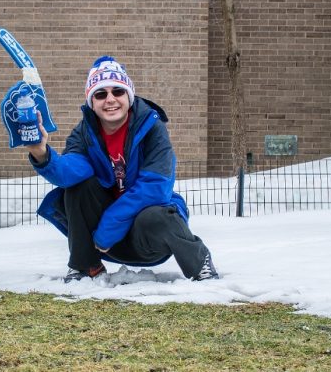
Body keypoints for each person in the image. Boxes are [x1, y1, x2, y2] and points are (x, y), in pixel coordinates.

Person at [26, 56, 219, 283]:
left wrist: (108, 229)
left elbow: (155, 188)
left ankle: (200, 264)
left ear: (129, 95)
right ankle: (86, 267)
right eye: (100, 94)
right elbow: (72, 171)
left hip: (143, 236)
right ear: (92, 102)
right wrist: (41, 153)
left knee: (159, 215)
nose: (110, 99)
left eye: (118, 91)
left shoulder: (152, 127)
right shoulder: (84, 133)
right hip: (104, 240)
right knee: (77, 188)